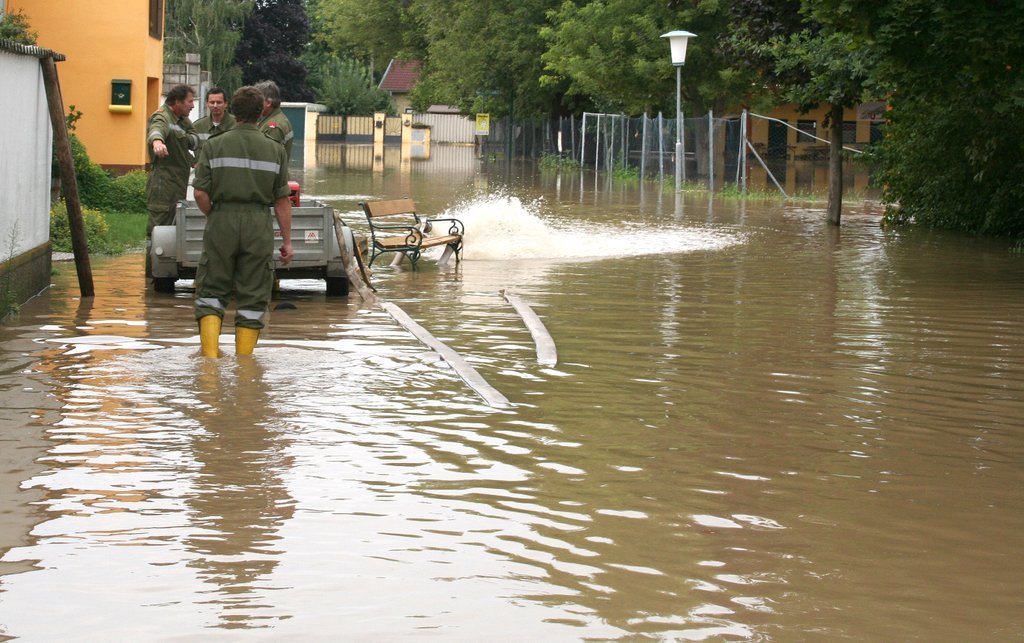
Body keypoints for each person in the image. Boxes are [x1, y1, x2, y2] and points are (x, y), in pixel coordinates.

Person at [192, 86, 293, 357]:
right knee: (253, 294)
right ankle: (245, 366)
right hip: (258, 224)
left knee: (211, 290)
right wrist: (287, 242)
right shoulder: (275, 150)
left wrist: (214, 215)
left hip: (222, 219)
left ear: (233, 110)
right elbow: (282, 200)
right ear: (261, 112)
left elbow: (200, 193)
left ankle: (210, 362)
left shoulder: (214, 145)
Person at [146, 84, 199, 242]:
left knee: (175, 232)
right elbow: (156, 129)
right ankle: (153, 258)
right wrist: (157, 142)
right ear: (177, 102)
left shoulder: (182, 120)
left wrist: (184, 138)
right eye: (189, 101)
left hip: (178, 185)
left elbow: (194, 140)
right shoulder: (162, 116)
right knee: (158, 232)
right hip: (163, 186)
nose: (193, 105)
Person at [254, 79, 294, 160]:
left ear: (268, 103)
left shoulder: (273, 127)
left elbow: (267, 158)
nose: (254, 104)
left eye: (257, 101)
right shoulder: (276, 119)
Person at [193, 86, 236, 152]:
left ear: (226, 104)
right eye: (212, 102)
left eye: (219, 102)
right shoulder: (198, 127)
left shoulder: (236, 124)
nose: (215, 106)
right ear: (207, 104)